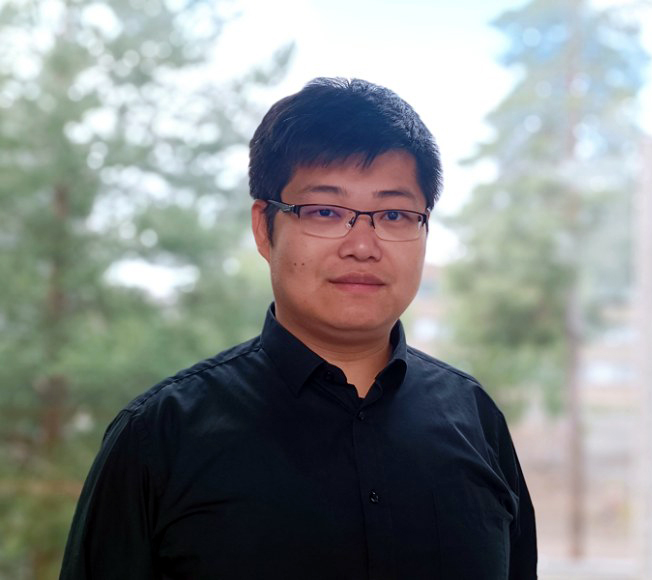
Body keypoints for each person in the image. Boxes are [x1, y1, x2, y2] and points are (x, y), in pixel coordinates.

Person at [60, 77, 537, 579]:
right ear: (264, 228)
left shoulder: (476, 420)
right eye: (325, 211)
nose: (362, 246)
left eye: (395, 213)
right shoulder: (158, 437)